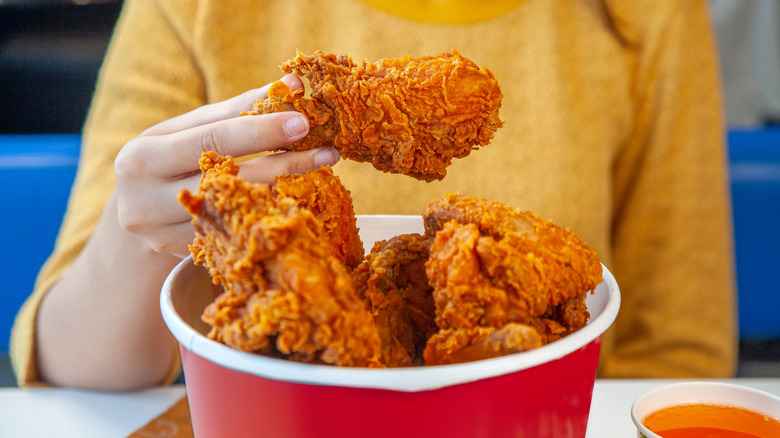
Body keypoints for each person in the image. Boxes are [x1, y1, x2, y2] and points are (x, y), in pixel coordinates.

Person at [10, 0, 737, 390]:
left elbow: (679, 358)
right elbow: (69, 368)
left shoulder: (647, 15)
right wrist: (135, 234)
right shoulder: (196, 7)